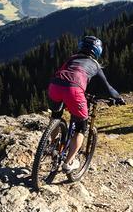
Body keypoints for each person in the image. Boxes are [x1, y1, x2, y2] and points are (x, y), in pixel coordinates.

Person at [48, 35, 125, 173]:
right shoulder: (95, 65)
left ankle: (51, 146)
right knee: (81, 128)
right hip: (74, 90)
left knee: (56, 117)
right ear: (97, 51)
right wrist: (118, 98)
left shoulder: (72, 58)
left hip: (55, 86)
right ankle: (68, 163)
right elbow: (107, 87)